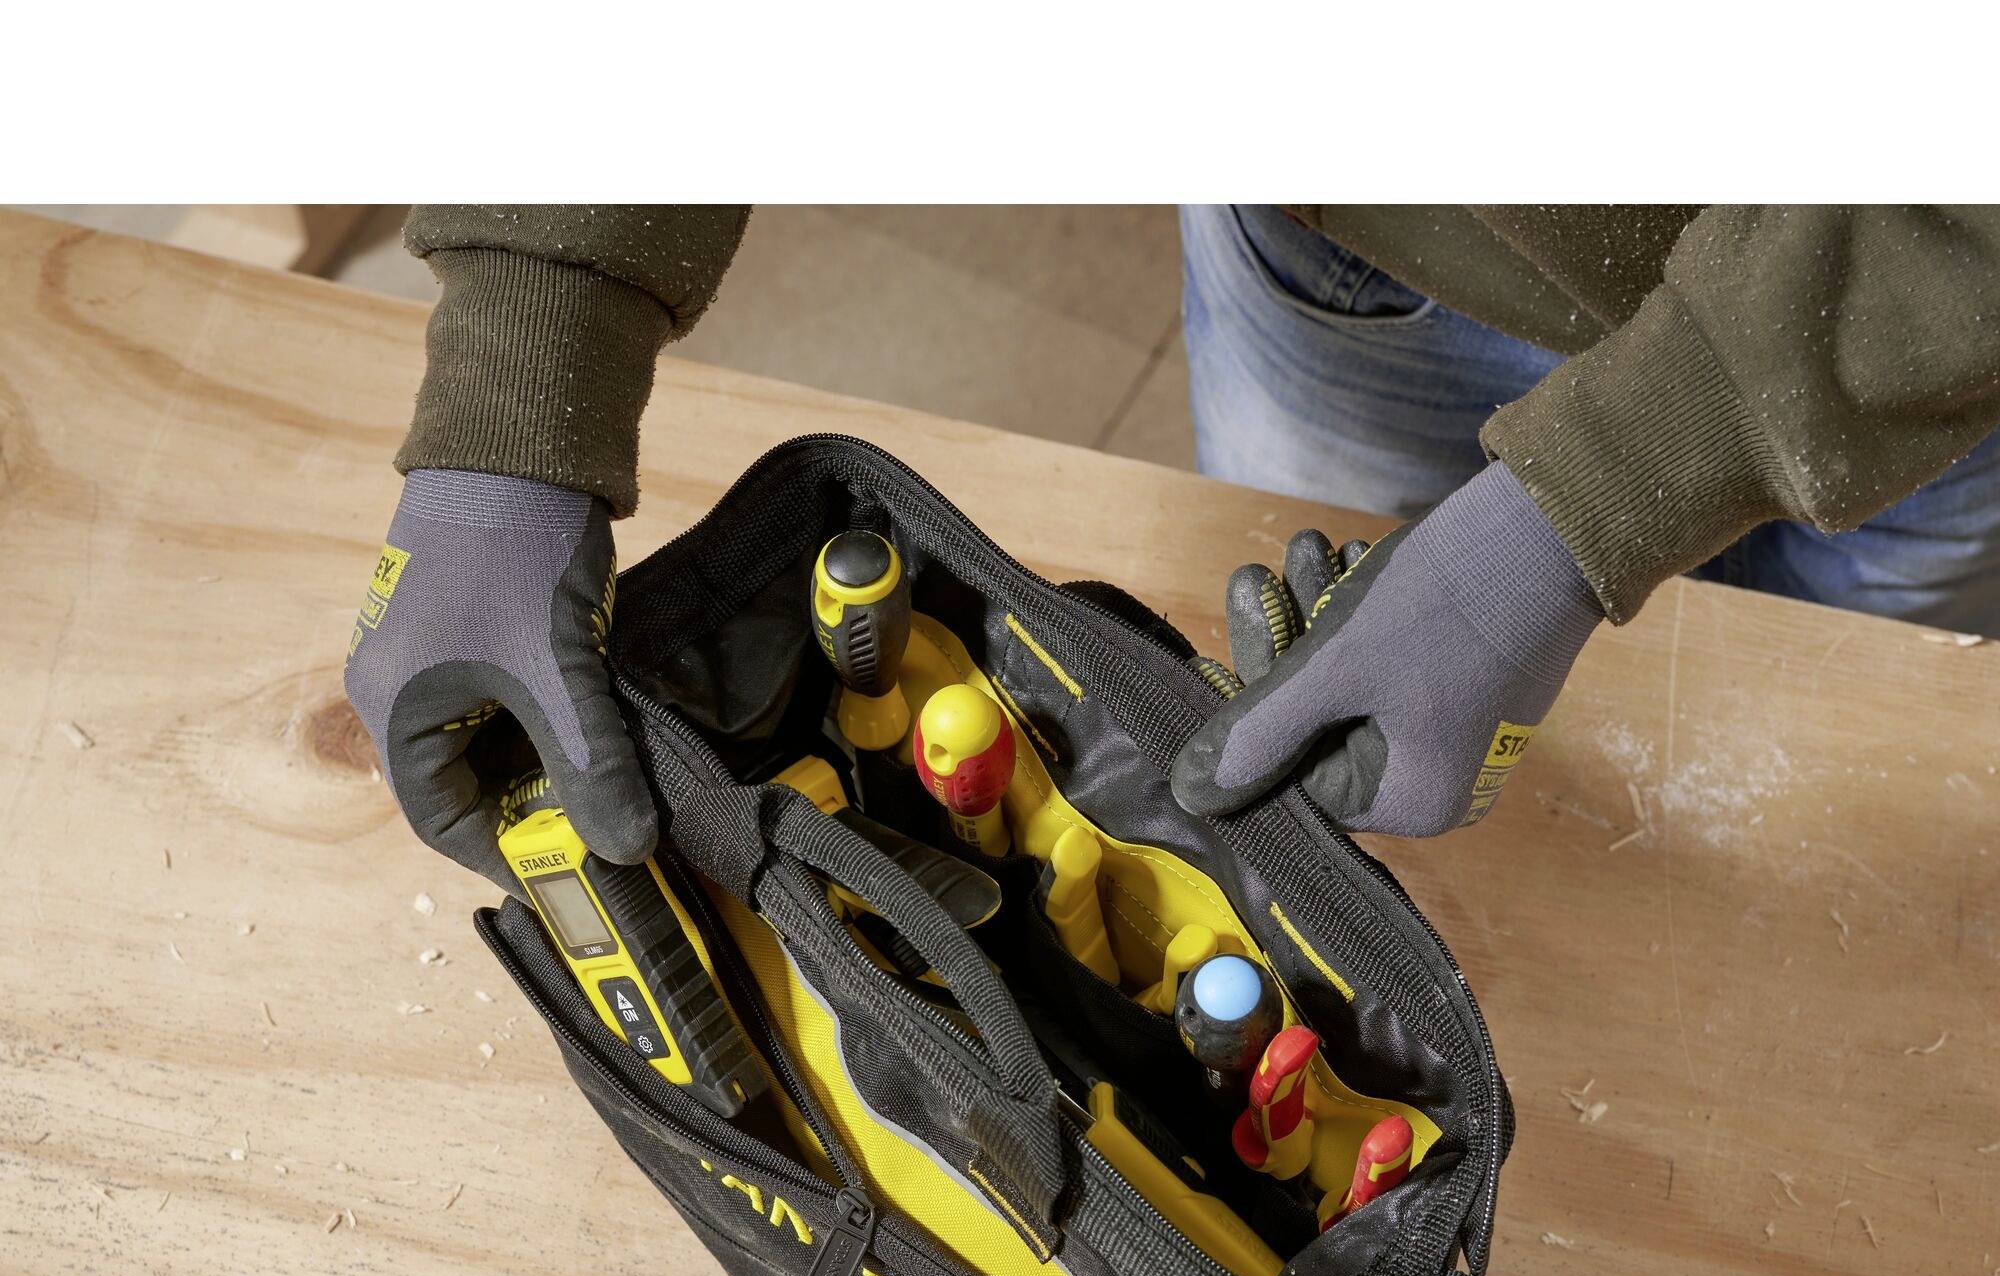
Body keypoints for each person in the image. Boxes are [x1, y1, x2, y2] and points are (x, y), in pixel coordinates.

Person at [345, 205, 2000, 877]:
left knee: (1875, 762)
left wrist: (1586, 510)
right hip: (1387, 260)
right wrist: (529, 352)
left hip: (1939, 363)